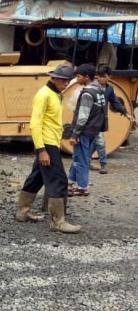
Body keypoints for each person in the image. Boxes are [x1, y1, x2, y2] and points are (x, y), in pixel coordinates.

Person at [16, 64, 81, 233]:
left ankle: (22, 213)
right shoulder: (44, 95)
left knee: (36, 177)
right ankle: (57, 222)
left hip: (51, 142)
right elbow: (35, 124)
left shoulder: (55, 94)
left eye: (68, 80)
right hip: (47, 144)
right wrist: (41, 150)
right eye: (64, 80)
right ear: (55, 78)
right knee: (58, 180)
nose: (67, 83)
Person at [67, 63, 108, 197]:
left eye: (78, 76)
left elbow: (82, 117)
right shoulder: (100, 90)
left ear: (86, 77)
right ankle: (70, 182)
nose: (76, 79)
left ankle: (82, 187)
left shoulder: (87, 94)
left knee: (82, 159)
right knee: (79, 157)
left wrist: (75, 134)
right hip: (94, 131)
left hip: (84, 131)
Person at [90, 65, 135, 174]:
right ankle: (97, 163)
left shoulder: (109, 89)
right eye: (100, 76)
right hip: (90, 120)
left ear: (109, 77)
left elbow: (115, 102)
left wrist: (125, 113)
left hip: (100, 120)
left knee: (97, 141)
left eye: (104, 76)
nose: (101, 79)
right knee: (96, 142)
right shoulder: (92, 88)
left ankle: (100, 164)